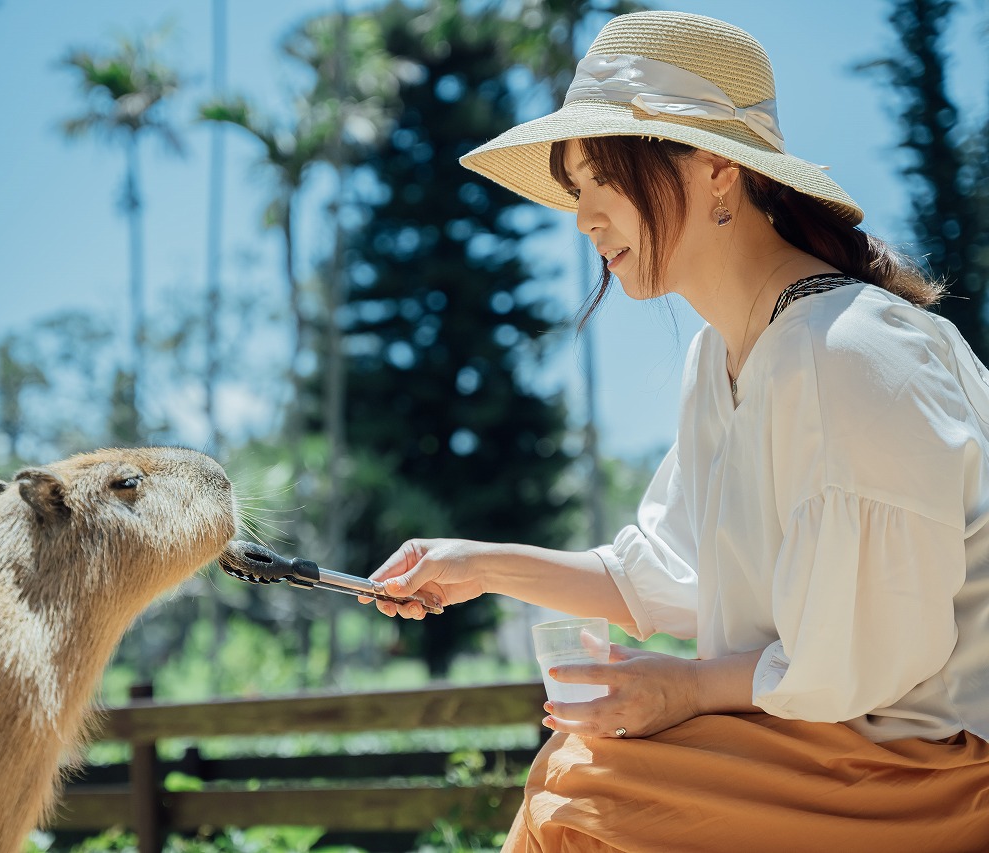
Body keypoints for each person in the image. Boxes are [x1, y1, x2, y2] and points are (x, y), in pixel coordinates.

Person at [359, 10, 989, 852]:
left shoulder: (850, 351)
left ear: (718, 167)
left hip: (930, 768)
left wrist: (686, 690)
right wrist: (476, 564)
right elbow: (659, 578)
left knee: (583, 798)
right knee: (571, 778)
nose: (583, 219)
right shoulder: (718, 362)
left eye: (599, 181)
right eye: (573, 190)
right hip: (826, 747)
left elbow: (857, 661)